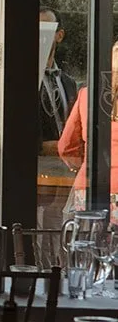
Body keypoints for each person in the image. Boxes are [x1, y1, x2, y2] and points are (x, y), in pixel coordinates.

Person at [58, 39, 118, 214]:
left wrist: (83, 164)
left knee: (89, 237)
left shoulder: (87, 95)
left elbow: (66, 146)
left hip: (89, 186)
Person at [39, 8, 79, 226]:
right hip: (36, 180)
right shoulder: (22, 80)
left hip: (65, 177)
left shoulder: (68, 82)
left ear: (59, 35)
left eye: (46, 29)